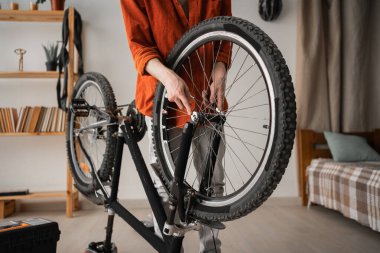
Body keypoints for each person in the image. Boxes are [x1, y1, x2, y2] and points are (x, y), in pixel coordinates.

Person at [121, 1, 231, 252]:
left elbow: (226, 31)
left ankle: (211, 249)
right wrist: (169, 78)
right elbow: (139, 46)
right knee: (166, 185)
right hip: (164, 96)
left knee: (213, 181)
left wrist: (220, 67)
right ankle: (171, 248)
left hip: (207, 95)